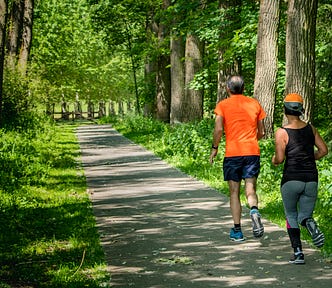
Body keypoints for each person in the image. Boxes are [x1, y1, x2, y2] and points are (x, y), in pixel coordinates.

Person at [272, 93, 328, 265]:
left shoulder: (282, 132)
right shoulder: (311, 128)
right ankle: (308, 222)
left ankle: (298, 253)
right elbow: (324, 150)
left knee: (291, 215)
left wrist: (273, 160)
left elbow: (280, 159)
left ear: (285, 110)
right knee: (304, 215)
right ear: (300, 110)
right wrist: (310, 157)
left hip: (291, 179)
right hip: (311, 178)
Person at [210, 75, 266, 242]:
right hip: (251, 152)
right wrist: (251, 140)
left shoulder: (222, 106)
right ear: (243, 88)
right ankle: (254, 210)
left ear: (228, 89)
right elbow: (262, 132)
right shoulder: (254, 103)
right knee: (250, 189)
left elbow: (219, 130)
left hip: (233, 153)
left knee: (234, 192)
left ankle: (237, 230)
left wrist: (215, 148)